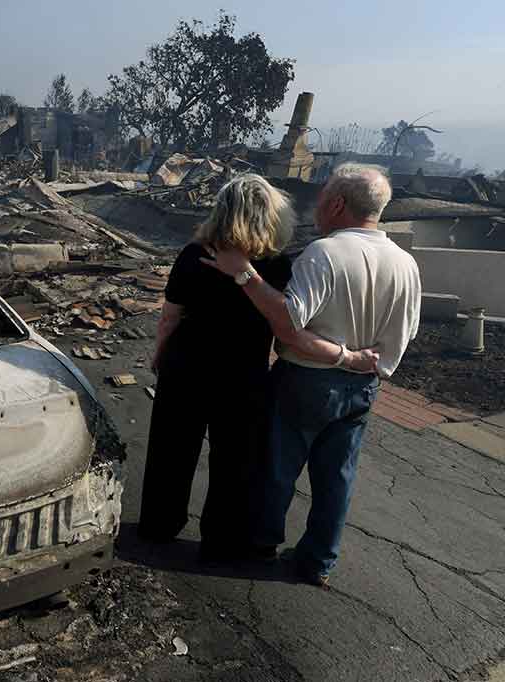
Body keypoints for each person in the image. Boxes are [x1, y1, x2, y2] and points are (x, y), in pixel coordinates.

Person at [202, 163, 421, 586]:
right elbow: (403, 336)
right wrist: (361, 363)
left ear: (338, 204)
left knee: (277, 470)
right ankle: (317, 561)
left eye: (322, 196)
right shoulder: (406, 264)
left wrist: (244, 274)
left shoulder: (324, 253)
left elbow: (288, 324)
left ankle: (261, 546)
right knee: (336, 479)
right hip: (363, 388)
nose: (316, 204)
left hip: (305, 381)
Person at [138, 174, 377, 560]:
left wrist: (160, 354)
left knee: (172, 449)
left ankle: (158, 525)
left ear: (221, 209)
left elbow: (170, 316)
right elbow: (286, 321)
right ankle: (221, 537)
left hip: (187, 364)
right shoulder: (278, 267)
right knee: (235, 458)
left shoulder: (194, 253)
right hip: (243, 372)